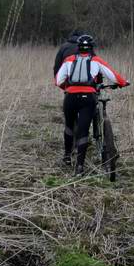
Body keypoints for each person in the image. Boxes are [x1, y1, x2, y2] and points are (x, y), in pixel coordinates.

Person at [55, 34, 129, 175]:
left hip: (70, 97)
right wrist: (123, 82)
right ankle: (80, 168)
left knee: (69, 126)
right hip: (88, 97)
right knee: (83, 131)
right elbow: (113, 75)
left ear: (78, 48)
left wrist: (69, 88)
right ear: (91, 48)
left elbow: (58, 81)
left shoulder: (69, 60)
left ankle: (67, 157)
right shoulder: (96, 60)